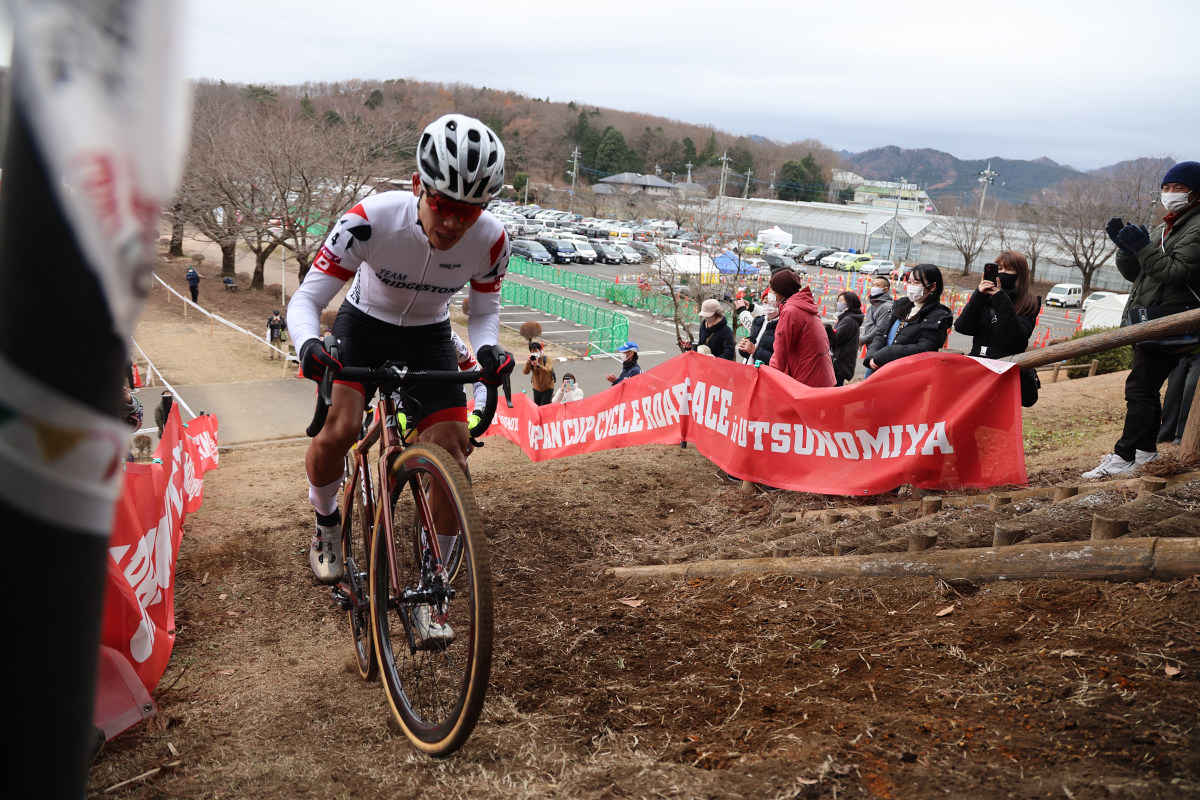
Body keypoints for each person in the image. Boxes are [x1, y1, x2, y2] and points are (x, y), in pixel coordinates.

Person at [286, 113, 514, 618]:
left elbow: (484, 314)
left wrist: (488, 352)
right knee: (341, 426)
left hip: (430, 334)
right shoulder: (370, 220)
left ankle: (433, 587)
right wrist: (308, 345)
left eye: (469, 212)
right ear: (417, 186)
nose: (454, 222)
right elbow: (305, 300)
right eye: (442, 204)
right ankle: (325, 521)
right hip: (363, 325)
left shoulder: (493, 242)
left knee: (453, 453)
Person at [1085, 160, 1200, 479]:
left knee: (1139, 388)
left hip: (1172, 323)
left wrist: (1144, 247)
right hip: (1153, 320)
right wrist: (1126, 249)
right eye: (1166, 188)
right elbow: (1137, 273)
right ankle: (1145, 452)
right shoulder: (1172, 225)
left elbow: (1175, 272)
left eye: (1179, 188)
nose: (1170, 194)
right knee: (1144, 388)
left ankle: (1125, 455)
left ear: (1196, 194)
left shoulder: (1197, 226)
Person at [863, 263, 953, 376]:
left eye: (917, 282)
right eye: (909, 282)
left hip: (904, 376)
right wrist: (871, 357)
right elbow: (881, 334)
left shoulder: (937, 316)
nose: (911, 286)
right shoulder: (902, 305)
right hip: (877, 368)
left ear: (933, 286)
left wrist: (886, 354)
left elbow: (924, 349)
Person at [767, 269, 836, 387]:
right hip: (820, 376)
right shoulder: (804, 304)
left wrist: (770, 378)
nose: (769, 292)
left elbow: (780, 352)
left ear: (781, 291)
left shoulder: (791, 311)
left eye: (772, 289)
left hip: (807, 381)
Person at [1158, 352, 1200, 446]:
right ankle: (1167, 433)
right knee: (1174, 389)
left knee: (1191, 387)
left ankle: (1182, 433)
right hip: (1182, 347)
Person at [831, 291, 864, 386]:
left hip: (839, 364)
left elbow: (836, 340)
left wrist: (827, 331)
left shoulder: (848, 320)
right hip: (840, 363)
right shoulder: (846, 318)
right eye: (838, 300)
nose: (838, 303)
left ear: (850, 303)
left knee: (834, 392)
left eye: (841, 300)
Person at [734, 295, 777, 365]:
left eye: (769, 300)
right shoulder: (760, 321)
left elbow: (776, 362)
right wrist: (745, 347)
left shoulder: (779, 328)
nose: (765, 302)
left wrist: (755, 350)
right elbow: (748, 354)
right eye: (764, 300)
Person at [860, 276, 894, 350]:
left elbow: (880, 328)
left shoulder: (887, 307)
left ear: (886, 289)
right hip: (869, 343)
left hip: (877, 345)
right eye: (873, 285)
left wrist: (864, 339)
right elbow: (868, 324)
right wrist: (862, 337)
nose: (874, 287)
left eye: (877, 285)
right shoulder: (873, 305)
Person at [523, 341, 555, 405]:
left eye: (536, 351)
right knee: (537, 407)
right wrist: (528, 362)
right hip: (536, 389)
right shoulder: (532, 359)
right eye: (532, 351)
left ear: (540, 350)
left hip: (547, 388)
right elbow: (525, 372)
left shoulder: (547, 359)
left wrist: (538, 366)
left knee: (544, 407)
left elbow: (548, 371)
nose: (534, 353)